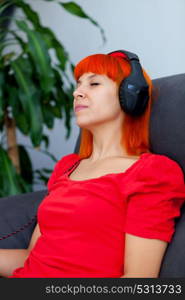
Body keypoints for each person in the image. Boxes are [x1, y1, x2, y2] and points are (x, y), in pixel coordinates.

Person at [1, 50, 185, 278]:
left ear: (129, 95)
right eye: (78, 85)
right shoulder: (68, 167)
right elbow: (32, 258)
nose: (78, 93)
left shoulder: (151, 173)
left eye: (94, 83)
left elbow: (138, 280)